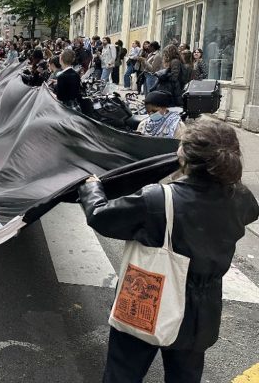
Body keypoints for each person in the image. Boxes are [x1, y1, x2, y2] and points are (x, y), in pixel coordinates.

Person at [79, 119, 259, 383]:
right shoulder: (240, 197)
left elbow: (101, 216)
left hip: (147, 299)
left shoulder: (158, 200)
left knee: (124, 372)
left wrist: (91, 187)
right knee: (185, 376)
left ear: (184, 155)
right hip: (202, 311)